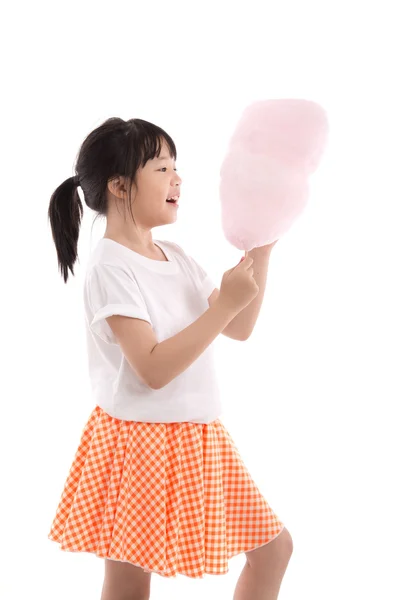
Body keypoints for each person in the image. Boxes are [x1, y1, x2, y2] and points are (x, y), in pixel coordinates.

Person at [47, 117, 293, 600]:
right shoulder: (110, 267)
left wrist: (260, 254)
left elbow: (238, 327)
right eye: (162, 167)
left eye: (176, 167)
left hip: (199, 436)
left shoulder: (174, 256)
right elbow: (154, 369)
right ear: (120, 185)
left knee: (273, 549)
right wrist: (224, 303)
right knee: (129, 581)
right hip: (138, 442)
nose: (177, 178)